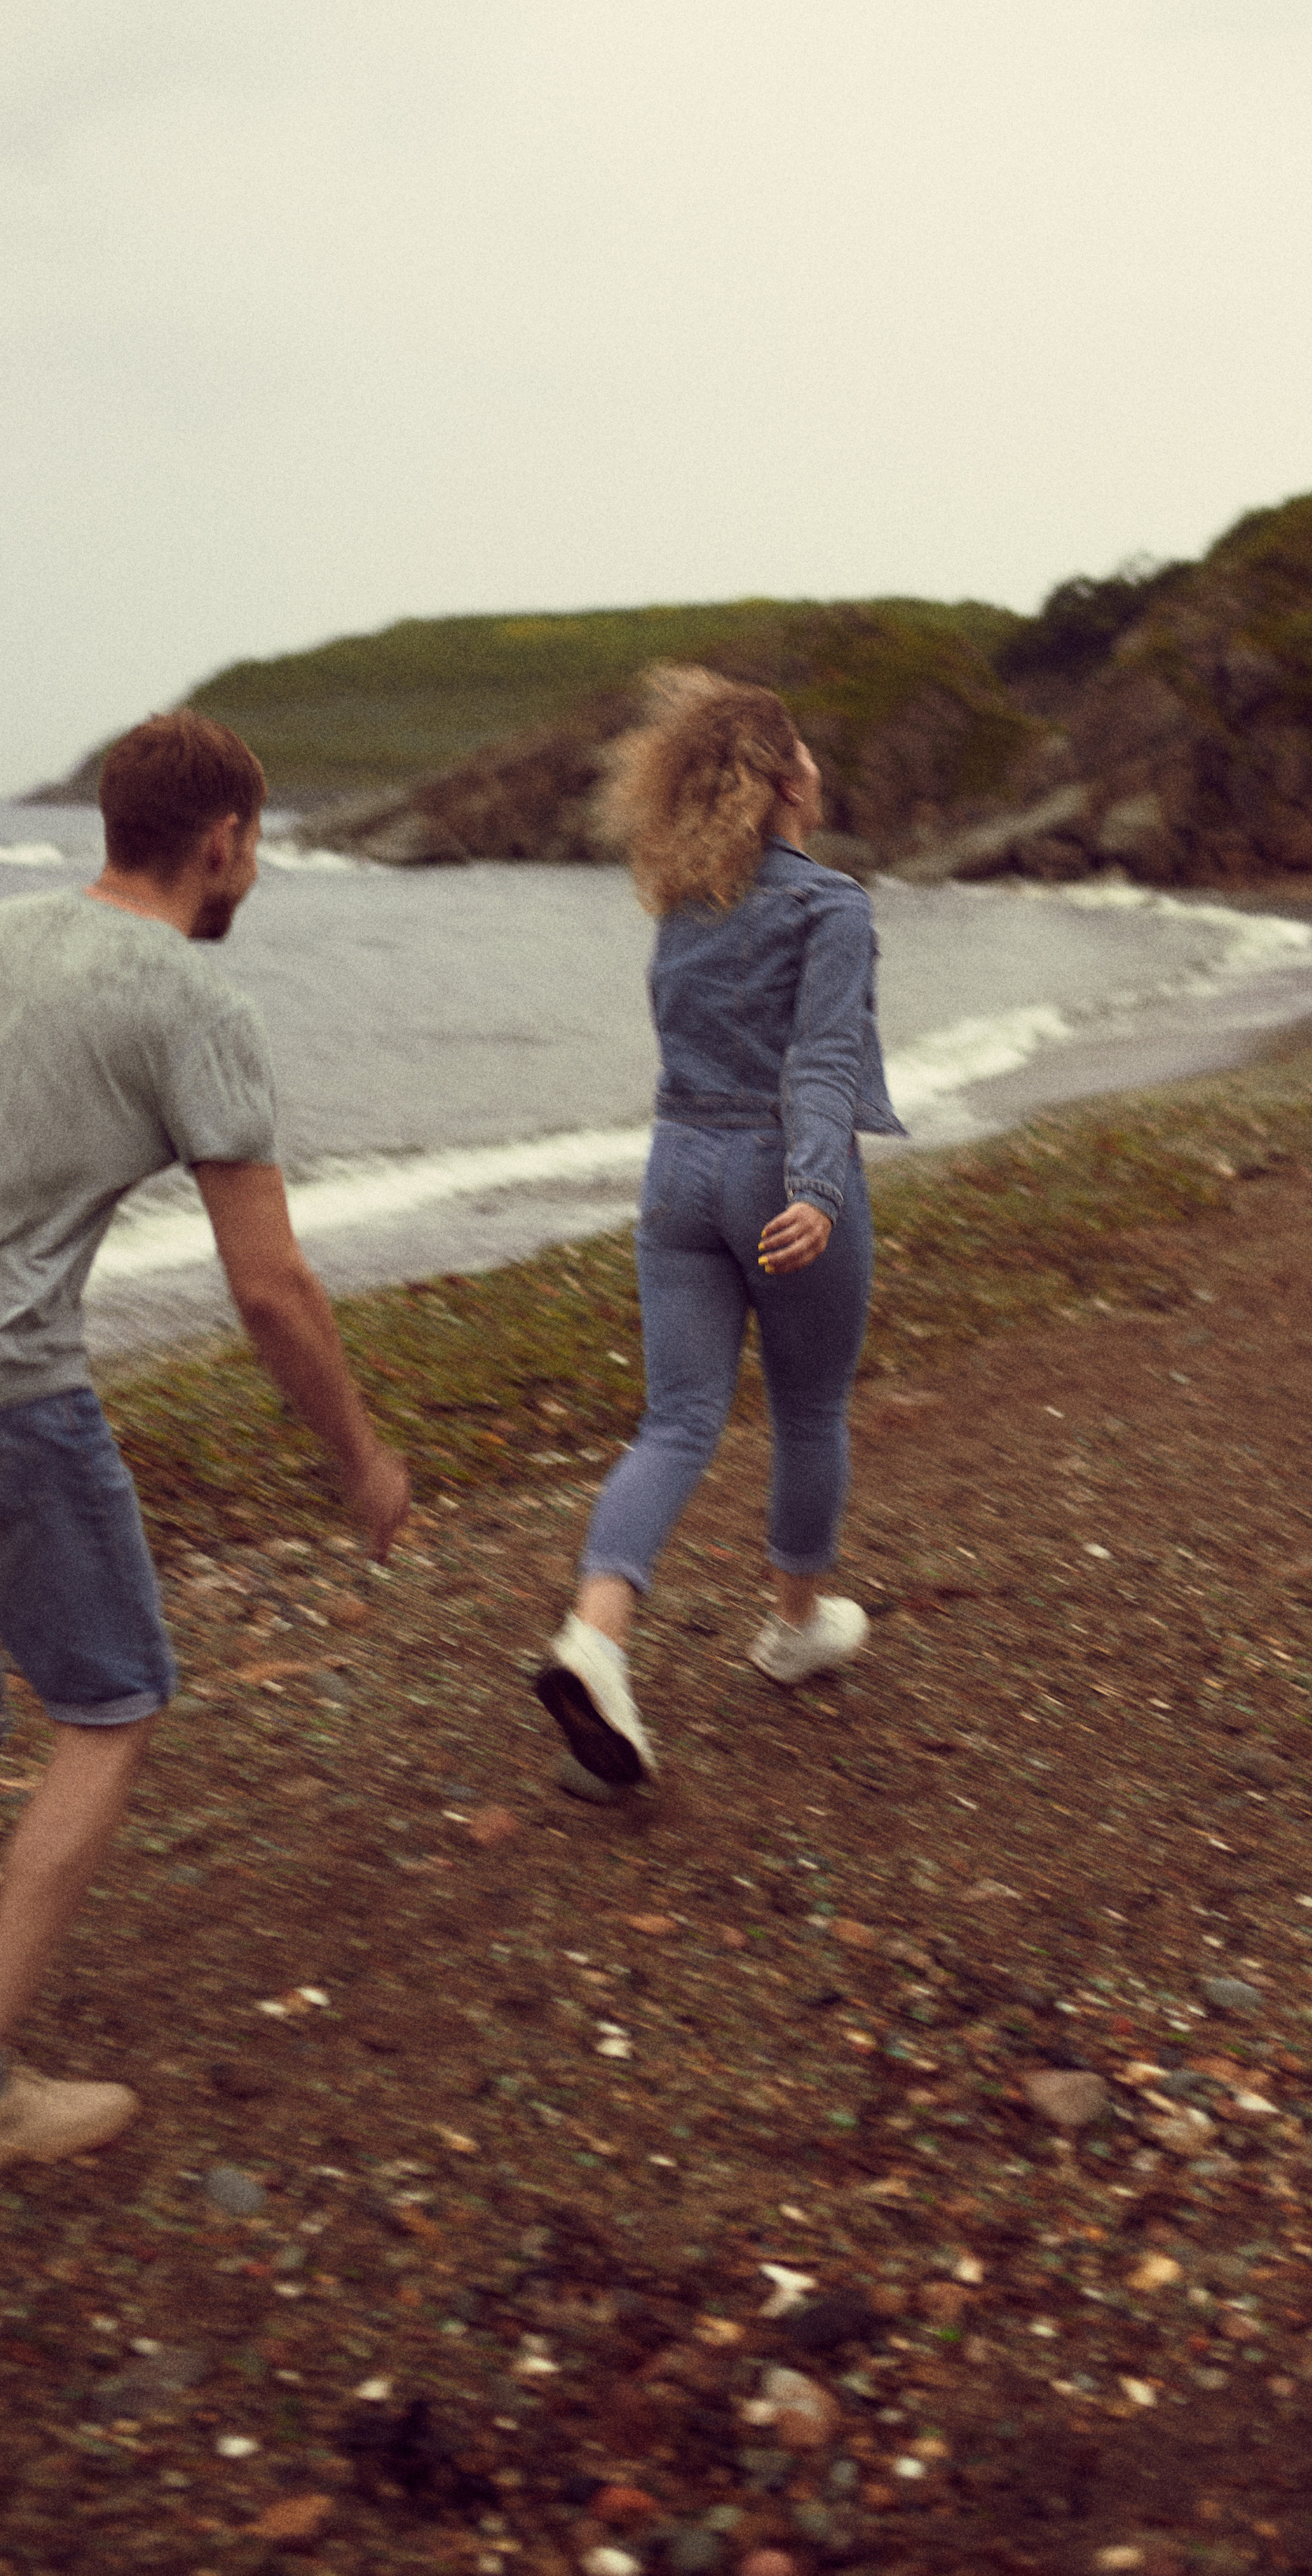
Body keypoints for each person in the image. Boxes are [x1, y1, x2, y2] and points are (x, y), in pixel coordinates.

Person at [0, 711, 409, 2192]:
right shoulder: (192, 1002)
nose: (254, 872)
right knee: (110, 1709)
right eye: (256, 846)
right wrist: (358, 1457)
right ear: (221, 841)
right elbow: (270, 1285)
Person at [534, 668, 904, 1786]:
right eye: (811, 755)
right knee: (806, 1407)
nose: (819, 770)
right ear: (789, 778)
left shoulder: (683, 910)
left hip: (676, 1173)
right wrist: (814, 1189)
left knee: (678, 1420)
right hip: (775, 1173)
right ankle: (795, 1629)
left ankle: (594, 1639)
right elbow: (824, 1057)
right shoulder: (829, 905)